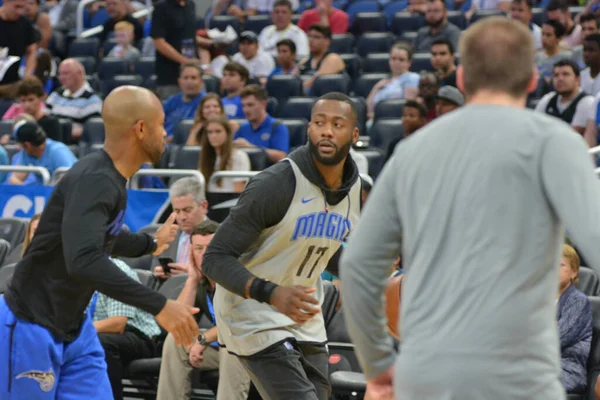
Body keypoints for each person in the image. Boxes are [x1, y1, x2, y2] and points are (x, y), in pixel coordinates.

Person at [340, 16, 600, 400]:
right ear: (532, 78)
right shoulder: (555, 143)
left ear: (461, 78)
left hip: (425, 373)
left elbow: (357, 265)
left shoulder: (412, 150)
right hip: (519, 376)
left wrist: (378, 365)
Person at [0, 86, 200, 399]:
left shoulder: (108, 177)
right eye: (161, 124)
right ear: (141, 128)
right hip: (31, 322)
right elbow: (83, 259)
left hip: (74, 328)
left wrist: (149, 244)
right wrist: (159, 304)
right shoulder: (97, 179)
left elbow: (104, 234)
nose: (166, 133)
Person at [203, 92, 363, 400]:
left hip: (304, 311)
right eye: (319, 123)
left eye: (337, 124)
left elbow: (324, 248)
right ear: (309, 129)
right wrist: (271, 293)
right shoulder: (275, 184)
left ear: (354, 134)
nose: (326, 131)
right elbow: (214, 258)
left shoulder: (355, 189)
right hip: (253, 311)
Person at [156, 220, 251, 400]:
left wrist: (203, 339)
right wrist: (192, 280)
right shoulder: (201, 282)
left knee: (232, 346)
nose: (205, 254)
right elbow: (178, 322)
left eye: (210, 247)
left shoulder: (238, 276)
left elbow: (236, 322)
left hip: (251, 348)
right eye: (198, 249)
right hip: (219, 347)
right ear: (191, 252)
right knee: (176, 340)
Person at [557, 244, 592, 394]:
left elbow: (558, 337)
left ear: (574, 272)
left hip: (567, 369)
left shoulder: (578, 301)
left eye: (560, 264)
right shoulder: (538, 300)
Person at [367, 43, 420, 121]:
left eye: (401, 59)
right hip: (377, 120)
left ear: (409, 62)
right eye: (393, 58)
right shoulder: (382, 82)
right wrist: (375, 88)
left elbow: (408, 105)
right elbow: (369, 108)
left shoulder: (412, 78)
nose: (396, 62)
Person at [199, 116, 251, 193]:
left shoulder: (239, 156)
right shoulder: (206, 156)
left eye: (218, 131)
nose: (213, 136)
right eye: (210, 132)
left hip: (228, 201)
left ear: (227, 134)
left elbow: (238, 191)